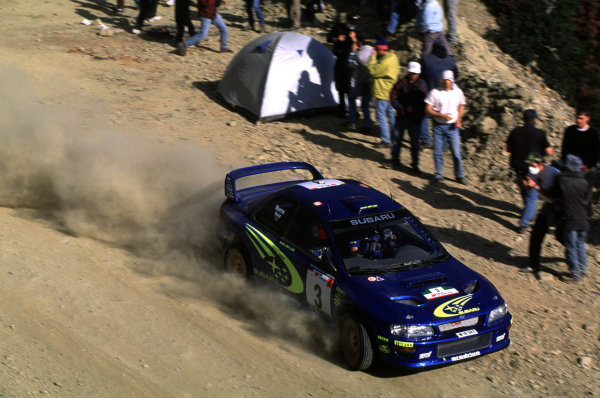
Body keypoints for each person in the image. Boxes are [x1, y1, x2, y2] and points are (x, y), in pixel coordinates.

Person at [506, 109, 553, 232]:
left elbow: (508, 148)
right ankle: (524, 223)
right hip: (533, 168)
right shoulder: (540, 133)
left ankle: (529, 213)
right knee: (532, 196)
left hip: (518, 168)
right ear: (535, 119)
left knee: (525, 191)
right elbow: (549, 151)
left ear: (523, 119)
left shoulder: (515, 132)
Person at [521, 153, 560, 276]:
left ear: (540, 164)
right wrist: (527, 184)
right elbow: (528, 188)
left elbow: (553, 198)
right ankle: (534, 265)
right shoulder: (533, 171)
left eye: (532, 165)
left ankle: (577, 265)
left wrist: (536, 187)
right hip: (548, 208)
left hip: (557, 208)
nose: (530, 167)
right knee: (536, 235)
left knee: (564, 238)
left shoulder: (551, 175)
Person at [425, 69, 466, 183]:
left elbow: (462, 105)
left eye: (448, 80)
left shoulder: (457, 92)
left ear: (452, 81)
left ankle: (459, 175)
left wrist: (458, 120)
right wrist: (440, 115)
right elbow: (428, 109)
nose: (446, 82)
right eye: (444, 80)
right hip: (438, 125)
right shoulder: (435, 92)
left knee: (456, 153)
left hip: (452, 127)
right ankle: (439, 173)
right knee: (438, 151)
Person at [556, 154, 590, 282]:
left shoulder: (561, 180)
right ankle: (583, 269)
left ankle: (575, 274)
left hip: (570, 220)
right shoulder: (583, 182)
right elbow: (586, 200)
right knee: (580, 244)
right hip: (583, 219)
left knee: (571, 247)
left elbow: (555, 196)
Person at [390, 61, 428, 174]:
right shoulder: (401, 83)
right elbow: (393, 97)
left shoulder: (422, 85)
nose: (413, 75)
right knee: (397, 139)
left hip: (415, 119)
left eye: (415, 73)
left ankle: (415, 165)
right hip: (402, 116)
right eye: (412, 73)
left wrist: (416, 110)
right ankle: (395, 160)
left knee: (415, 143)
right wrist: (400, 108)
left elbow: (424, 101)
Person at [561, 108, 600, 216]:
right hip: (570, 169)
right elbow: (564, 150)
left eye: (581, 118)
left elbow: (596, 152)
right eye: (577, 118)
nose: (578, 120)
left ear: (587, 118)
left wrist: (589, 165)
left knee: (586, 195)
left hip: (586, 170)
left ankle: (586, 218)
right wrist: (566, 164)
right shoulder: (570, 131)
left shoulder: (593, 133)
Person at [327, 14, 364, 116]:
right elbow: (329, 38)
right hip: (339, 60)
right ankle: (341, 108)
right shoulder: (338, 27)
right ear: (347, 21)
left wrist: (354, 39)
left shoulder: (356, 30)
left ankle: (353, 110)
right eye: (351, 23)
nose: (353, 25)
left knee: (349, 87)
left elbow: (362, 43)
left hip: (351, 62)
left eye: (354, 23)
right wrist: (337, 39)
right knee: (340, 86)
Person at [367, 35, 400, 147]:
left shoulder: (384, 62)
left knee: (380, 115)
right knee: (391, 114)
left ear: (381, 49)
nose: (375, 51)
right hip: (391, 91)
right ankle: (396, 136)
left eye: (377, 49)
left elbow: (372, 71)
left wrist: (372, 57)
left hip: (383, 92)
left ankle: (385, 140)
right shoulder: (393, 57)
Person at [346, 44, 373, 131]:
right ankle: (367, 125)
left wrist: (353, 51)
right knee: (365, 104)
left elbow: (350, 64)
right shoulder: (372, 53)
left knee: (351, 97)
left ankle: (352, 121)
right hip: (370, 83)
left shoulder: (360, 53)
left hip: (360, 82)